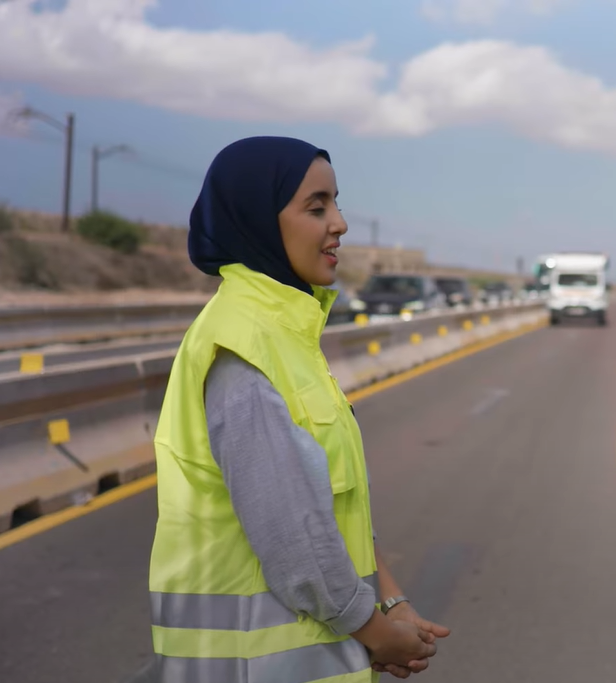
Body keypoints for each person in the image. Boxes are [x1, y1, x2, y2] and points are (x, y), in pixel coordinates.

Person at [147, 136, 450, 682]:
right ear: (258, 220)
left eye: (336, 203)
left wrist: (389, 599)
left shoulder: (287, 335)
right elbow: (296, 542)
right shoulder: (242, 347)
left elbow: (328, 508)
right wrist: (380, 636)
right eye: (317, 207)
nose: (339, 223)